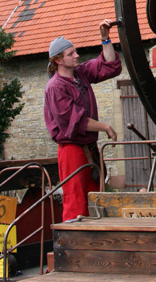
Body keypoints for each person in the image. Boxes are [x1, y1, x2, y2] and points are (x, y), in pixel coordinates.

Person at [44, 19, 122, 221]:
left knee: (95, 200)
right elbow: (74, 120)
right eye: (71, 54)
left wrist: (105, 39)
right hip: (72, 151)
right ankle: (72, 239)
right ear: (58, 60)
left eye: (75, 52)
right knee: (75, 202)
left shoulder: (80, 74)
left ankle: (95, 239)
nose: (76, 56)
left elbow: (110, 66)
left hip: (89, 149)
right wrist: (105, 126)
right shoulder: (56, 87)